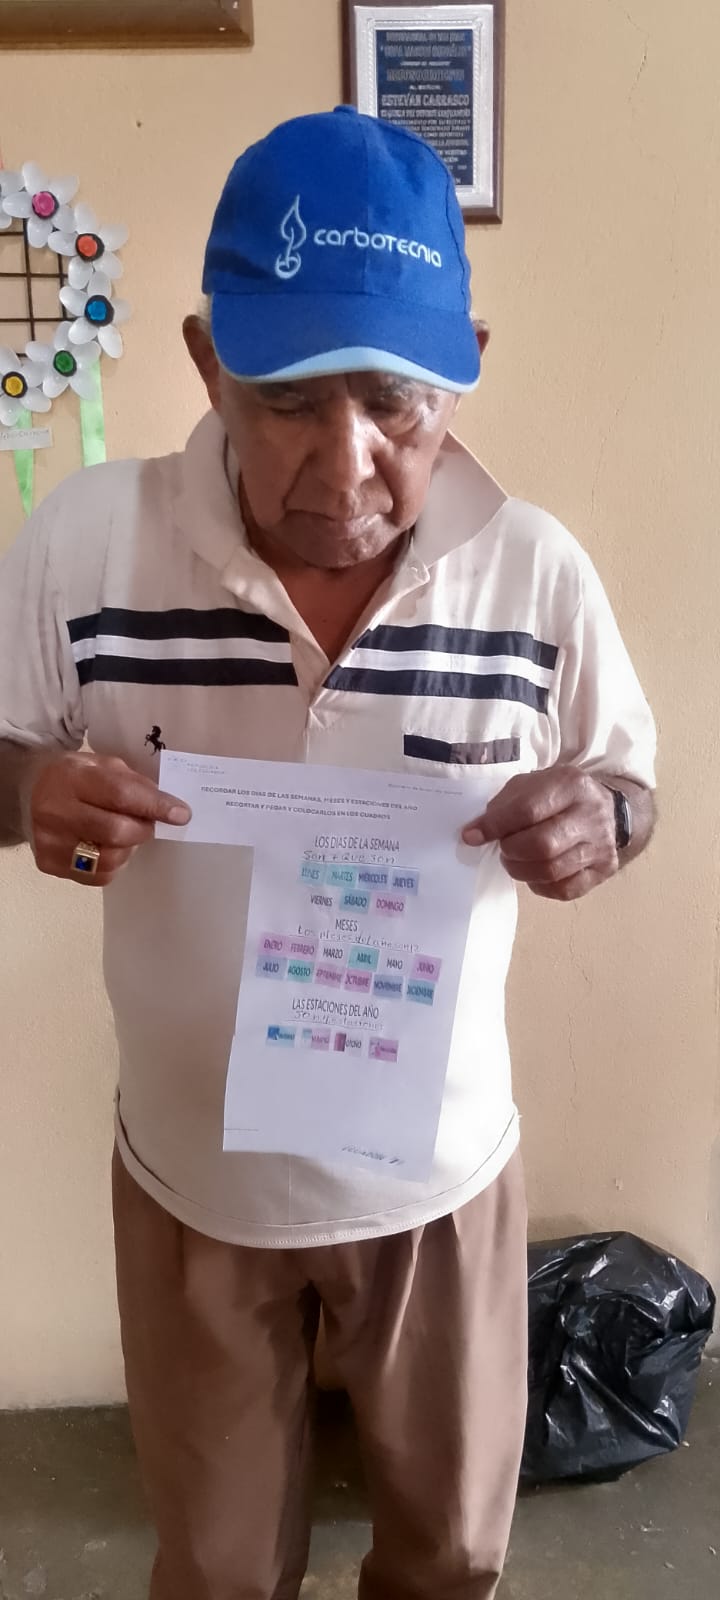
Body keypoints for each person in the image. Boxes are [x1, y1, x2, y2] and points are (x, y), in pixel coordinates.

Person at [0, 108, 656, 1600]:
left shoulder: (534, 573)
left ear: (464, 364)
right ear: (206, 361)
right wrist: (31, 787)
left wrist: (605, 821)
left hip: (439, 1181)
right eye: (289, 399)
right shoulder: (89, 545)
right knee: (219, 1569)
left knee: (453, 1557)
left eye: (395, 403)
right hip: (194, 1179)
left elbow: (630, 782)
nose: (345, 465)